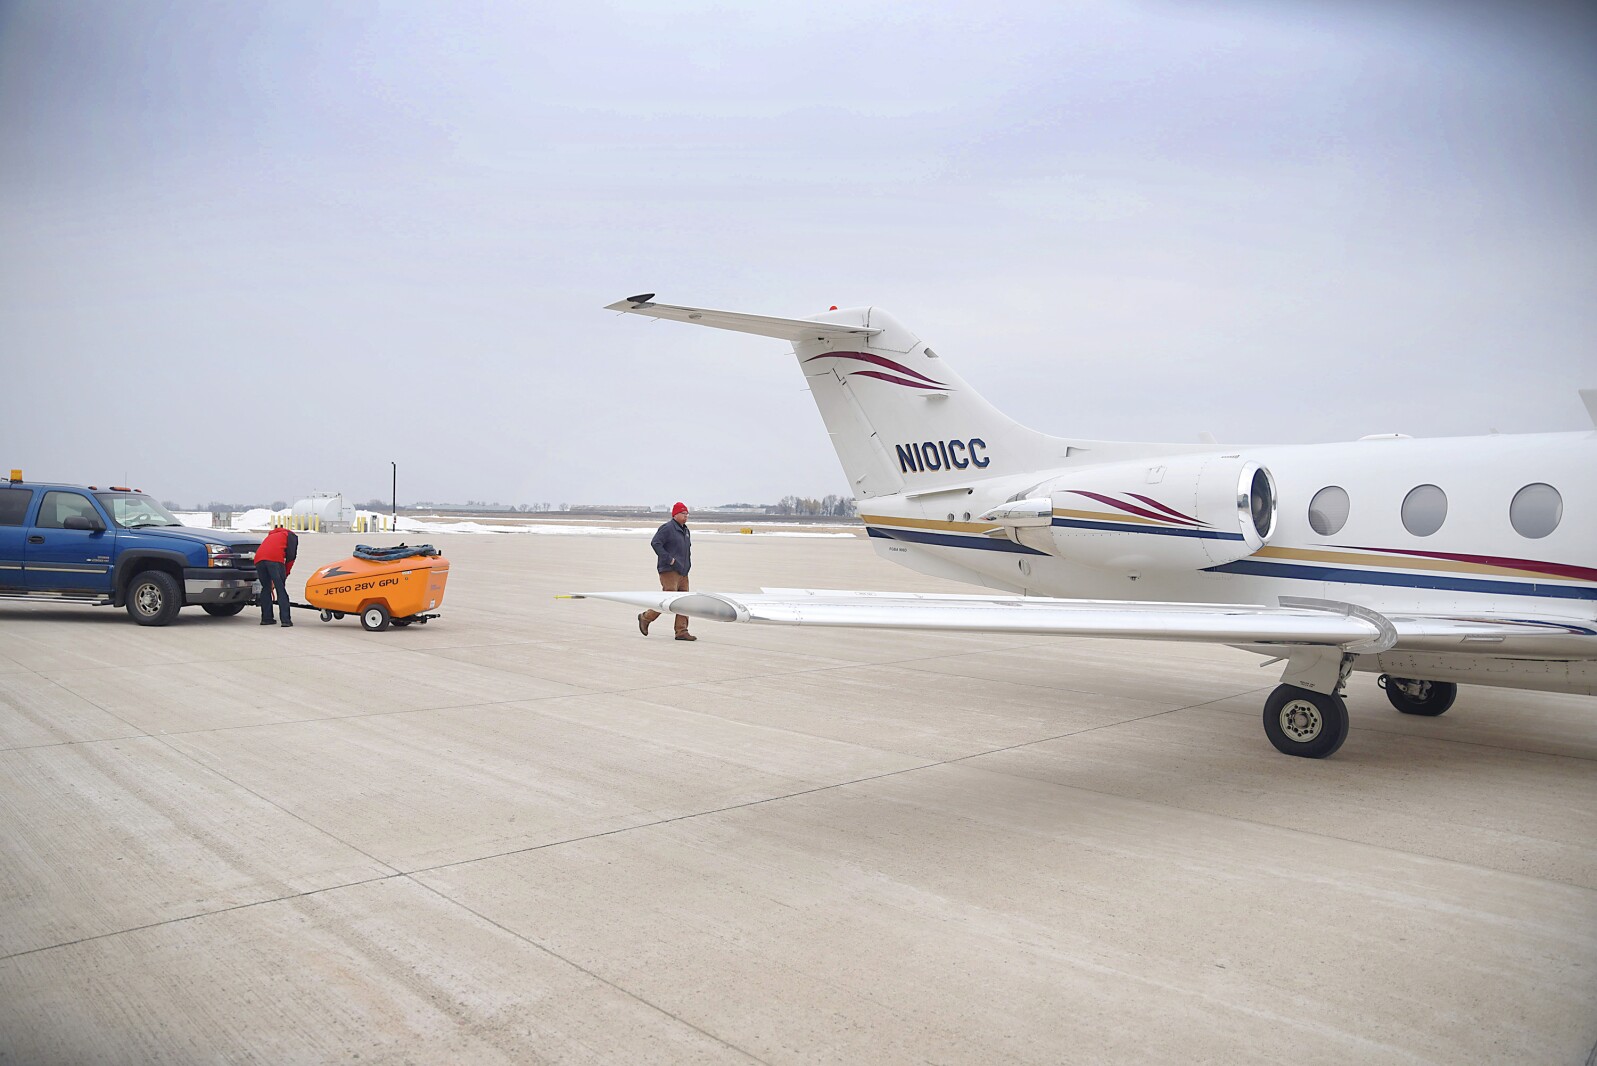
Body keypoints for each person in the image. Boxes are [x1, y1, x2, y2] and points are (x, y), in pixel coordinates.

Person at [638, 501, 695, 641]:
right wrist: (670, 560)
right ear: (675, 514)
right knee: (668, 600)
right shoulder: (667, 528)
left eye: (687, 513)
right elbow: (655, 543)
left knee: (684, 603)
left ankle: (681, 631)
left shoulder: (686, 530)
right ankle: (645, 617)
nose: (686, 516)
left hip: (683, 572)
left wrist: (687, 567)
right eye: (683, 513)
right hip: (669, 571)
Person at [255, 524, 299, 627]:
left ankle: (266, 618)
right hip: (274, 560)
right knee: (281, 589)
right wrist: (285, 574)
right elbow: (291, 558)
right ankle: (286, 620)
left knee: (266, 588)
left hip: (258, 560)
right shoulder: (290, 535)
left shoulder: (271, 535)